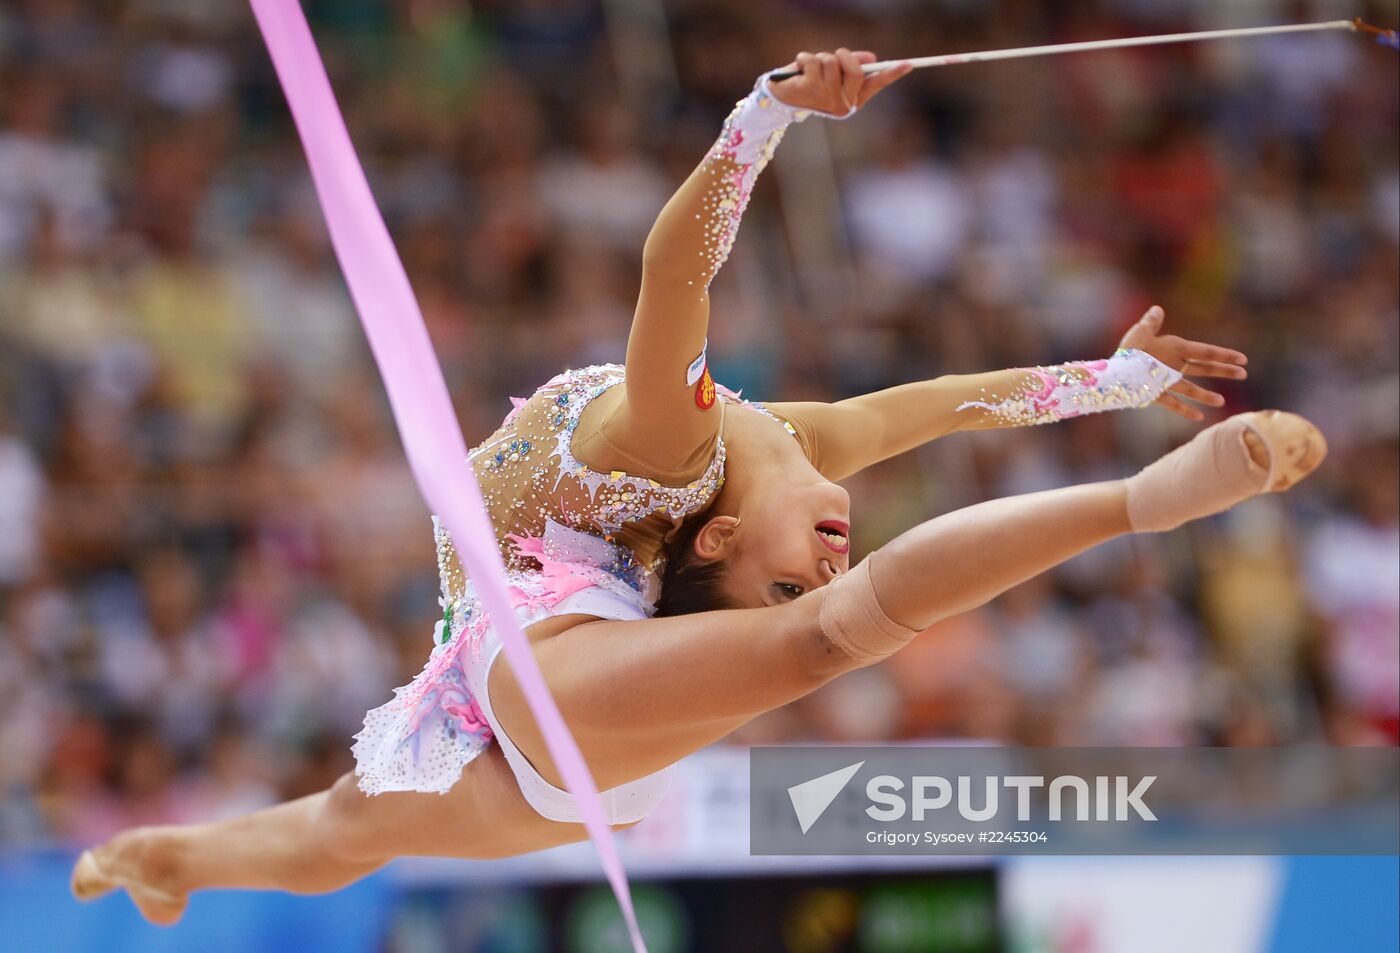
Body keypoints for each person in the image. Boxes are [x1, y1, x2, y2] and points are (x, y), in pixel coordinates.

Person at [72, 49, 1326, 923]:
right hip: (551, 725)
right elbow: (952, 402)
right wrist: (1105, 381)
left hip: (564, 682)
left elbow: (674, 267)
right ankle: (171, 855)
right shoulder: (795, 440)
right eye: (815, 566)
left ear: (716, 533)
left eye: (782, 573)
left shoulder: (669, 445)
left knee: (819, 644)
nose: (829, 558)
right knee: (343, 830)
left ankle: (1146, 504)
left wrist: (766, 116)